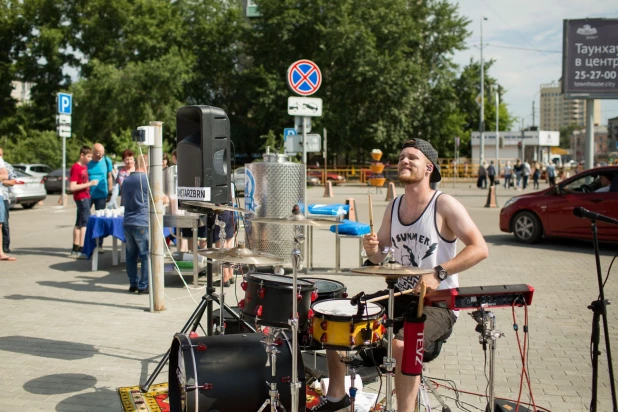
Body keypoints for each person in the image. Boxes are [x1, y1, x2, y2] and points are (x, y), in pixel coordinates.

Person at [314, 139, 489, 412]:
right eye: (401, 158)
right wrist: (371, 249)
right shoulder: (394, 206)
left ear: (429, 167)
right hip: (400, 296)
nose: (404, 161)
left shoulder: (444, 204)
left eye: (412, 157)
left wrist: (439, 272)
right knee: (338, 318)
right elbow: (378, 256)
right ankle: (337, 397)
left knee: (402, 344)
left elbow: (480, 248)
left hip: (438, 302)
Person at [121, 154, 150, 293]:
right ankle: (143, 285)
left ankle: (133, 283)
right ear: (146, 165)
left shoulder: (126, 181)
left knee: (131, 255)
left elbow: (123, 201)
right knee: (145, 255)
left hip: (128, 221)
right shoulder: (147, 180)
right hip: (141, 221)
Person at [69, 146, 98, 258]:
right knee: (85, 222)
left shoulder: (84, 166)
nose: (90, 158)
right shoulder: (76, 168)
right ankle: (82, 249)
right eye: (89, 156)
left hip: (85, 196)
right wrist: (89, 184)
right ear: (82, 155)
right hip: (81, 197)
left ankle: (75, 248)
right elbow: (72, 186)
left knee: (79, 222)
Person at [0, 147, 16, 254]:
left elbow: (12, 181)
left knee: (4, 223)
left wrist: (3, 181)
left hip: (4, 197)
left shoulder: (6, 166)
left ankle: (5, 246)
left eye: (0, 154)